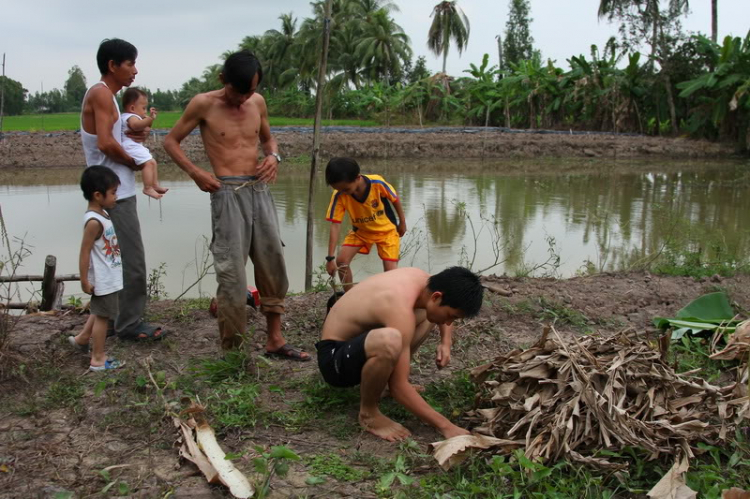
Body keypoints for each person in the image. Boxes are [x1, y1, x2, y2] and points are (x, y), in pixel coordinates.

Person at [164, 50, 308, 360]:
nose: (243, 98)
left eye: (250, 90)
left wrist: (273, 157)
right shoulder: (203, 104)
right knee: (232, 276)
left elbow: (269, 140)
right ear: (222, 80)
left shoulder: (257, 103)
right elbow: (170, 141)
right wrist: (195, 172)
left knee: (273, 264)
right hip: (227, 192)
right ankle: (234, 353)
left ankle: (275, 340)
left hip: (260, 190)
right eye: (237, 90)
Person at [316, 266, 484, 442]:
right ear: (437, 297)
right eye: (451, 316)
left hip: (359, 343)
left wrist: (446, 341)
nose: (449, 322)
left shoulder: (425, 282)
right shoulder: (398, 305)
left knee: (428, 317)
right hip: (335, 360)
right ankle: (369, 413)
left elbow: (441, 307)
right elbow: (399, 388)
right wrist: (446, 426)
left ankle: (384, 381)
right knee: (390, 340)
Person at [80, 38, 165, 341]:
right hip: (115, 193)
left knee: (114, 260)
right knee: (133, 262)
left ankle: (115, 320)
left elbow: (111, 137)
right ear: (113, 65)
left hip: (112, 191)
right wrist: (134, 163)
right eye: (130, 63)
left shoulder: (108, 98)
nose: (135, 70)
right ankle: (129, 324)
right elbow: (105, 143)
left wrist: (130, 140)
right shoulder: (102, 95)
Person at [68, 166, 126, 371]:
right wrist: (84, 280)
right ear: (98, 195)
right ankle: (98, 358)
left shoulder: (102, 214)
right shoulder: (94, 221)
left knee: (99, 311)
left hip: (109, 275)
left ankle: (83, 339)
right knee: (103, 317)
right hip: (104, 278)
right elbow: (84, 252)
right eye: (113, 193)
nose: (116, 197)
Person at [324, 157, 407, 291]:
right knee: (341, 261)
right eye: (338, 189)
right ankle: (349, 295)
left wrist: (402, 222)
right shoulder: (339, 195)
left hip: (387, 232)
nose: (343, 193)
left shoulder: (377, 183)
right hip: (361, 232)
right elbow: (335, 224)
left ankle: (390, 298)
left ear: (357, 178)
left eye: (346, 189)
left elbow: (395, 199)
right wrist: (330, 258)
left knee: (390, 271)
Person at [120, 87, 168, 200]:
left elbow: (144, 127)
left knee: (153, 162)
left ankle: (154, 185)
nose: (145, 111)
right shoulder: (131, 117)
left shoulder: (132, 116)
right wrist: (150, 118)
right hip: (130, 146)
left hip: (134, 146)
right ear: (132, 108)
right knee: (148, 164)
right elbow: (136, 126)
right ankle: (147, 187)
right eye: (143, 108)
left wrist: (147, 120)